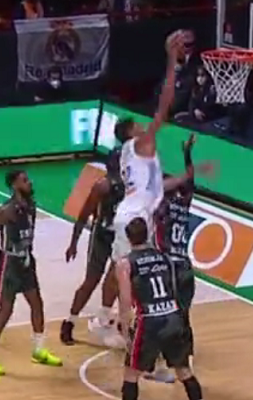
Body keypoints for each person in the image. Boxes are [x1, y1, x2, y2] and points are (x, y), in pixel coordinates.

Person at [0, 170, 62, 376]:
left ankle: (38, 350)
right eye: (24, 180)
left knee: (37, 303)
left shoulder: (31, 206)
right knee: (6, 310)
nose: (29, 182)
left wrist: (28, 258)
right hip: (8, 263)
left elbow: (28, 236)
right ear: (14, 185)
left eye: (28, 179)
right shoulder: (5, 211)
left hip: (26, 260)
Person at [110, 30, 184, 271]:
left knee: (122, 271)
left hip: (133, 214)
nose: (142, 126)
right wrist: (172, 61)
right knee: (132, 273)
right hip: (135, 218)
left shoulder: (131, 153)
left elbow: (154, 186)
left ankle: (109, 298)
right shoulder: (140, 144)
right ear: (131, 133)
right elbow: (164, 106)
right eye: (136, 125)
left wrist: (186, 176)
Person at [115, 217, 203, 400]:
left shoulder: (125, 264)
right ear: (147, 234)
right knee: (184, 371)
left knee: (131, 373)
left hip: (149, 321)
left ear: (128, 238)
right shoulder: (165, 257)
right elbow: (174, 289)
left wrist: (125, 330)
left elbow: (125, 300)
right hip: (173, 316)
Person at [144, 134, 202, 383]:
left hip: (168, 267)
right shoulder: (183, 204)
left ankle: (157, 367)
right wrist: (187, 154)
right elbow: (191, 181)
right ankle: (186, 362)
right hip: (186, 266)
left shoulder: (160, 207)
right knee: (183, 316)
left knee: (161, 316)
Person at [60, 148, 125, 347]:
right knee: (91, 280)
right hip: (102, 235)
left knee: (116, 280)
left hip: (120, 235)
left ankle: (106, 319)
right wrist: (73, 242)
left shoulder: (132, 184)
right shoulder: (102, 186)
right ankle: (69, 322)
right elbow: (84, 214)